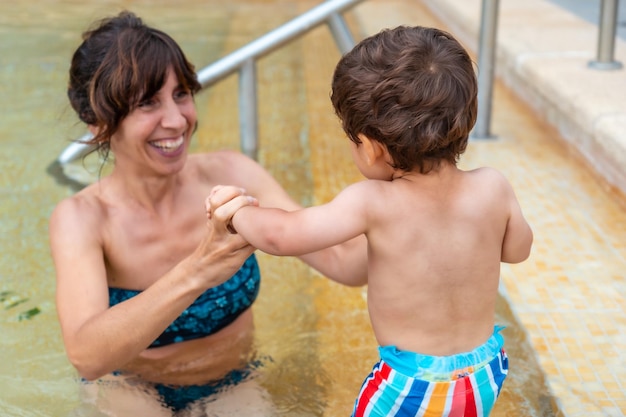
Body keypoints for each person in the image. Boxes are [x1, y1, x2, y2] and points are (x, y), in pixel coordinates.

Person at [48, 11, 367, 415]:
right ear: (98, 124)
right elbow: (87, 355)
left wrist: (399, 199)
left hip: (235, 380)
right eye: (148, 103)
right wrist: (201, 267)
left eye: (181, 94)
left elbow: (345, 264)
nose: (177, 119)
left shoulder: (233, 174)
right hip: (131, 387)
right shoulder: (82, 219)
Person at [209, 25, 533, 417]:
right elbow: (518, 250)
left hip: (411, 387)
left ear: (372, 147)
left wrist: (237, 212)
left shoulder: (373, 201)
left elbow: (281, 236)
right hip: (483, 371)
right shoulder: (492, 186)